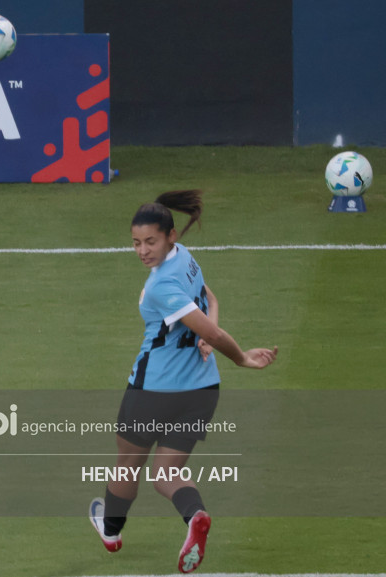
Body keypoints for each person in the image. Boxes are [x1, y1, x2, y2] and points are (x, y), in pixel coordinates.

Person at [88, 190, 277, 573]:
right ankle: (195, 517)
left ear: (170, 236)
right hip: (202, 390)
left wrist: (240, 357)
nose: (142, 251)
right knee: (167, 474)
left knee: (128, 463)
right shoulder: (185, 259)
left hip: (153, 389)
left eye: (150, 242)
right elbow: (210, 299)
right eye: (136, 243)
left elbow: (214, 331)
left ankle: (110, 531)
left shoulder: (160, 287)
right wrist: (208, 333)